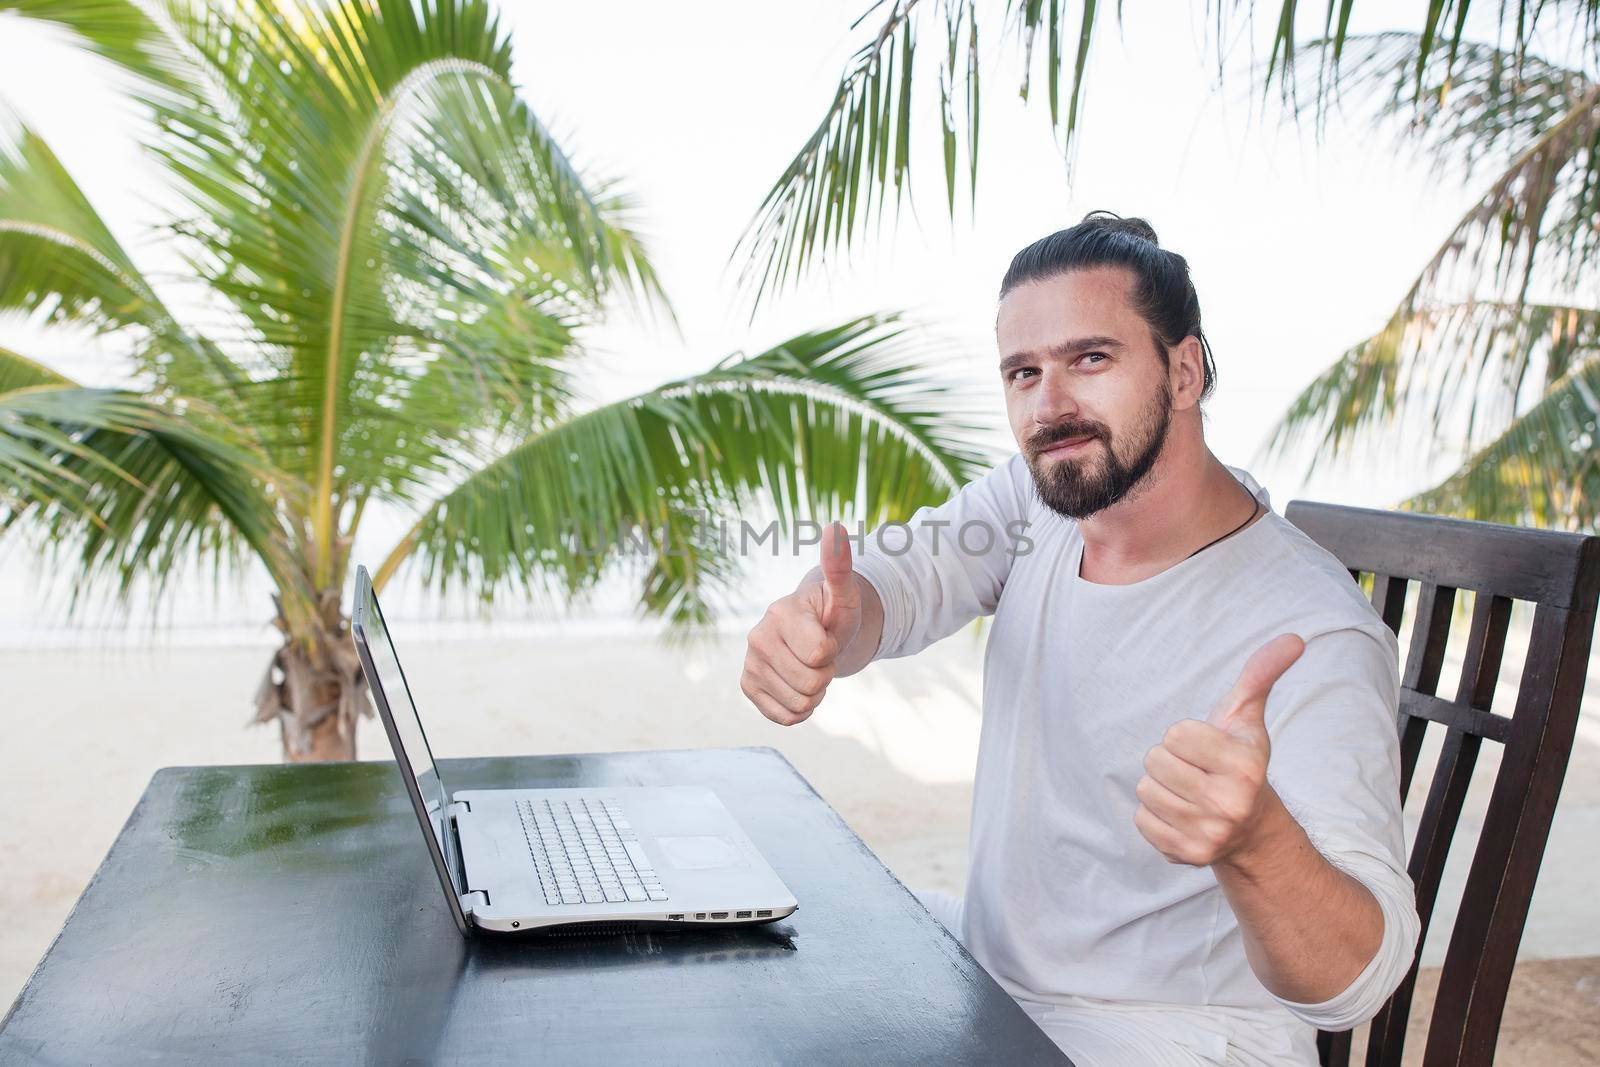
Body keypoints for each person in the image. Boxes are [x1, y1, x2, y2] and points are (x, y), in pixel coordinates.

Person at [739, 212, 1419, 1065]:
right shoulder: (1040, 504)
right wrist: (824, 625)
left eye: (1090, 359)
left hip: (1172, 1035)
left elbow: (1361, 977)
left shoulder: (1312, 629)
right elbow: (902, 580)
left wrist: (1257, 840)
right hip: (992, 984)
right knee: (754, 968)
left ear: (1184, 369)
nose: (1049, 405)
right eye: (1023, 373)